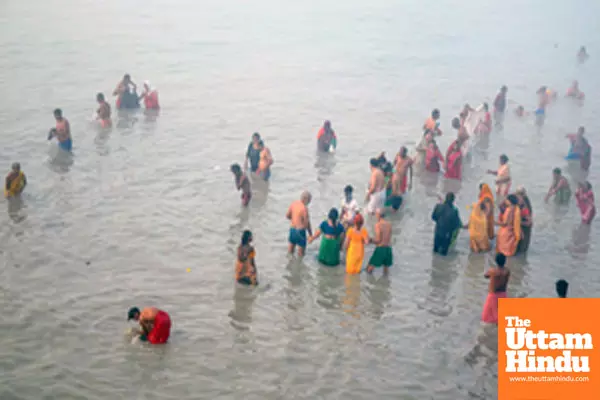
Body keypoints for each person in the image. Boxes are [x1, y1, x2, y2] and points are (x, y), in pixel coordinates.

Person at [481, 252, 510, 324]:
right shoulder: (507, 271)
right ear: (505, 261)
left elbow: (485, 275)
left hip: (493, 296)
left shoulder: (493, 271)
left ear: (496, 261)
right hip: (503, 294)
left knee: (487, 316)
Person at [366, 209, 393, 275]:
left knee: (369, 269)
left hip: (381, 249)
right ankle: (385, 284)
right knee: (386, 270)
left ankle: (368, 284)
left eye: (376, 214)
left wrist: (370, 240)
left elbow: (378, 240)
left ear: (378, 215)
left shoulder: (378, 225)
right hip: (388, 249)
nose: (375, 216)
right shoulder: (389, 224)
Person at [286, 191, 312, 257]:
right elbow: (307, 224)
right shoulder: (304, 209)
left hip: (292, 230)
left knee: (290, 252)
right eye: (309, 200)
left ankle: (289, 266)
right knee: (301, 255)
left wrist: (295, 220)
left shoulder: (294, 204)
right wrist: (310, 234)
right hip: (300, 232)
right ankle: (299, 266)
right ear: (306, 199)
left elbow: (287, 216)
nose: (309, 202)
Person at [515, 186, 533, 253]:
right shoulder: (520, 201)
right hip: (520, 228)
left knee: (522, 250)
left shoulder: (525, 206)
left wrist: (518, 222)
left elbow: (529, 222)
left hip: (525, 229)